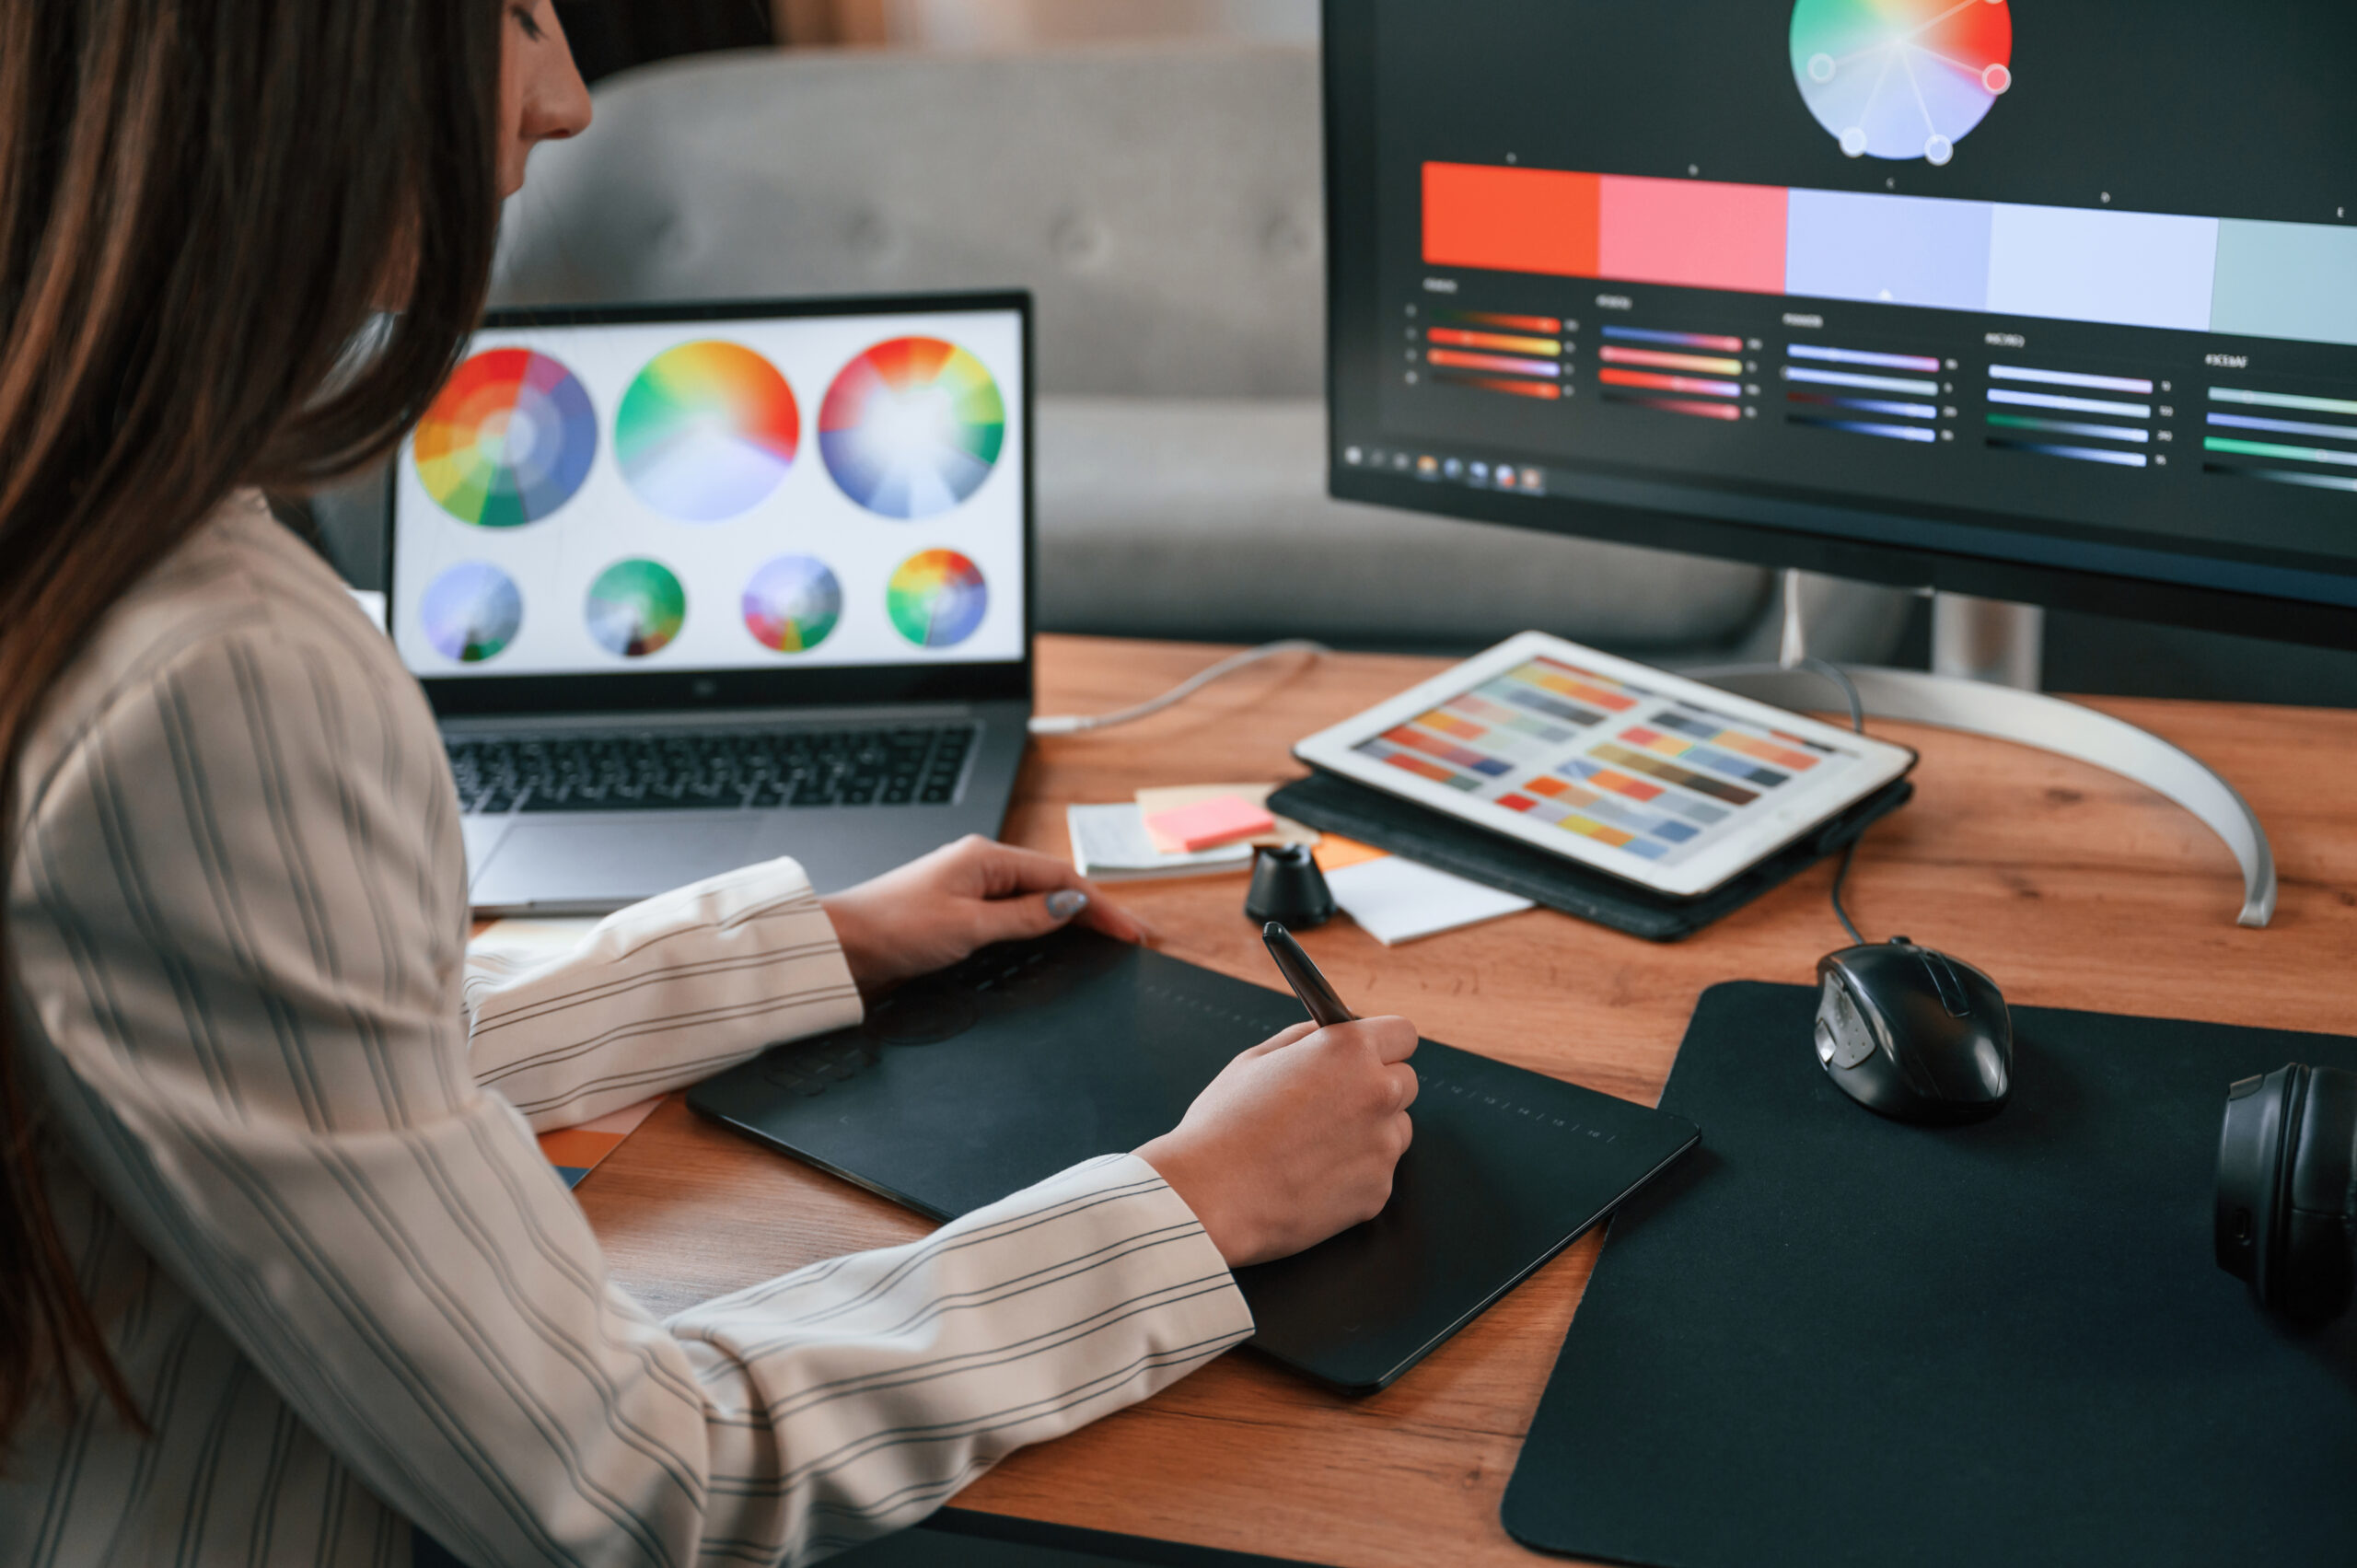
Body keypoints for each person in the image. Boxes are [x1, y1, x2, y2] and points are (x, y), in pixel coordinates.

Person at [0, 4, 1422, 1565]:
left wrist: (815, 945)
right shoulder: (222, 676)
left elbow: (301, 1060)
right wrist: (1193, 1204)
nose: (564, 101)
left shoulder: (84, 520)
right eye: (512, 17)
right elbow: (630, 1475)